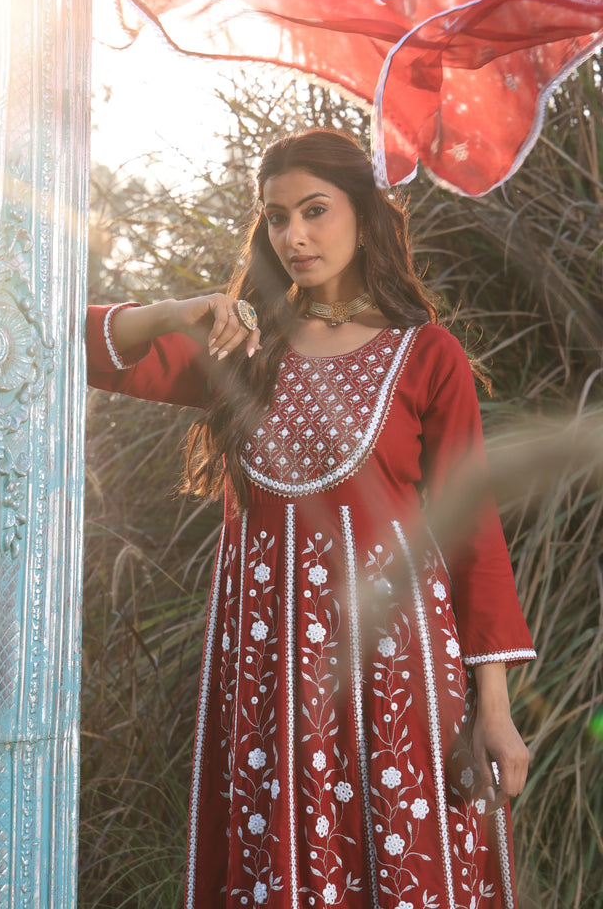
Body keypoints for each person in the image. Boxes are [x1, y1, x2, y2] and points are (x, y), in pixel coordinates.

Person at [86, 129, 535, 909]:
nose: (295, 235)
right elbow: (73, 342)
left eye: (316, 211)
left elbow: (473, 536)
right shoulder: (242, 349)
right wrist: (176, 310)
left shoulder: (427, 356)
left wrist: (493, 709)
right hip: (267, 674)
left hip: (396, 672)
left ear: (364, 213)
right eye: (277, 217)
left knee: (403, 868)